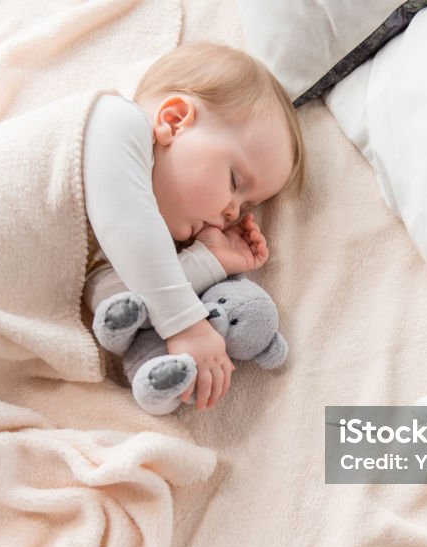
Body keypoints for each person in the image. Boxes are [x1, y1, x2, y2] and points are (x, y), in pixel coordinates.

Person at [81, 42, 305, 411]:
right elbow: (127, 222)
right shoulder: (115, 122)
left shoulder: (124, 253)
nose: (233, 212)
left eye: (248, 206)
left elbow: (134, 290)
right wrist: (186, 323)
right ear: (173, 121)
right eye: (235, 181)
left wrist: (210, 261)